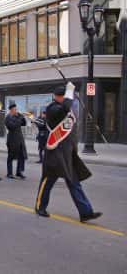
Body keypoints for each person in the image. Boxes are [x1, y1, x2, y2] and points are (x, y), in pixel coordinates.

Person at [35, 84, 102, 222]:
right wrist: (70, 91)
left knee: (74, 184)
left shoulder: (66, 110)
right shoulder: (52, 108)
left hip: (67, 154)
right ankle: (40, 207)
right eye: (64, 96)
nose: (67, 99)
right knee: (48, 181)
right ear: (58, 97)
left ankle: (86, 212)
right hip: (55, 154)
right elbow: (65, 108)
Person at [5, 104, 27, 179]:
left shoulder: (17, 116)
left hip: (20, 139)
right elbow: (13, 126)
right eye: (15, 109)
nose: (16, 111)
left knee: (21, 156)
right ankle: (9, 173)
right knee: (11, 157)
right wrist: (20, 117)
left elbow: (23, 124)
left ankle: (19, 172)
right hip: (12, 140)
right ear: (11, 110)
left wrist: (23, 117)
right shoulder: (8, 118)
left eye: (16, 109)